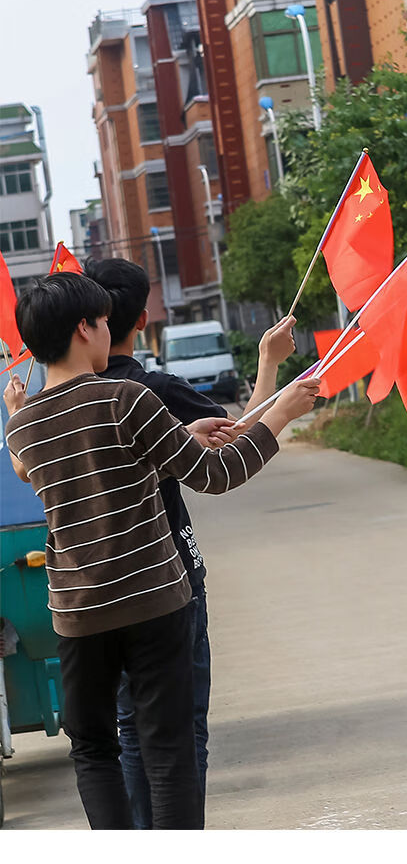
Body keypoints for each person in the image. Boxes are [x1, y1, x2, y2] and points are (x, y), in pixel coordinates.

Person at [3, 272, 319, 829]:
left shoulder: (23, 427)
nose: (107, 332)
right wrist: (283, 414)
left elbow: (35, 465)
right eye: (101, 323)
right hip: (154, 602)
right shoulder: (129, 398)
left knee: (96, 747)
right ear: (84, 329)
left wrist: (18, 411)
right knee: (168, 745)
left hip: (78, 615)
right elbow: (218, 476)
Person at [82, 256, 295, 829]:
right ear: (141, 317)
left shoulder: (63, 405)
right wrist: (270, 365)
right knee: (181, 728)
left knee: (128, 730)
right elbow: (231, 450)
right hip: (168, 577)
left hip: (98, 592)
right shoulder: (147, 391)